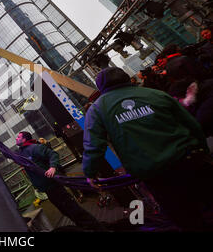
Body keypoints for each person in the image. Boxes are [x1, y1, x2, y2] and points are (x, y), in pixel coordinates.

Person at [83, 67, 213, 231]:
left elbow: (93, 145)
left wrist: (90, 172)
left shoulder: (97, 109)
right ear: (127, 79)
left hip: (157, 175)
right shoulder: (154, 94)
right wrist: (203, 150)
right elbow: (191, 124)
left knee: (188, 220)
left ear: (100, 87)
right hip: (191, 160)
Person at [15, 131, 106, 231]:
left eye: (18, 137)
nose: (16, 138)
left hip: (54, 186)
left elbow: (53, 154)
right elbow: (10, 155)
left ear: (24, 139)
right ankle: (86, 228)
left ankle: (97, 228)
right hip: (48, 189)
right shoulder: (21, 152)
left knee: (73, 209)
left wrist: (53, 167)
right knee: (66, 211)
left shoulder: (35, 148)